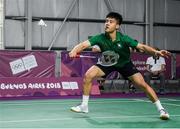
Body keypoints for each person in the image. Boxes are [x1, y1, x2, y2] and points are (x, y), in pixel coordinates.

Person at [69, 12, 171, 120]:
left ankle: (161, 109)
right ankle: (84, 106)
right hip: (107, 62)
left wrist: (156, 52)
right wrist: (74, 50)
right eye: (106, 21)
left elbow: (142, 47)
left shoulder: (124, 39)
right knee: (88, 75)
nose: (107, 24)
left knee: (142, 85)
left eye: (111, 22)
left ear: (117, 26)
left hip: (124, 64)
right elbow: (83, 45)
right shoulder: (100, 38)